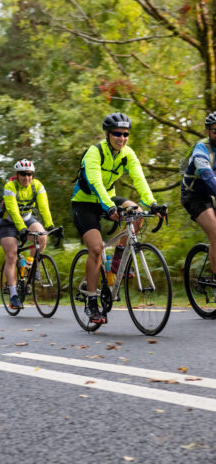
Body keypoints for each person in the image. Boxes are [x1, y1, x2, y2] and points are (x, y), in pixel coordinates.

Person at [71, 112, 165, 324]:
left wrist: (153, 204)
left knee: (138, 212)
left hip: (109, 197)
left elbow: (139, 179)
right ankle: (92, 303)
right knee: (96, 248)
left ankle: (116, 263)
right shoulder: (94, 153)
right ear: (108, 134)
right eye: (117, 133)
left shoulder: (127, 154)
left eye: (125, 134)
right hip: (84, 202)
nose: (121, 138)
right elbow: (95, 183)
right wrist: (109, 207)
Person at [0, 159, 55, 309]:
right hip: (8, 222)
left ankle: (31, 267)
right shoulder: (10, 186)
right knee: (11, 255)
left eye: (29, 174)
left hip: (27, 218)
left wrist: (50, 225)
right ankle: (14, 295)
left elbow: (44, 207)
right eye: (23, 174)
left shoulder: (37, 186)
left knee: (42, 236)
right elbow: (14, 211)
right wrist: (22, 229)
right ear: (16, 175)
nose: (26, 177)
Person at [181, 112, 216, 275]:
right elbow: (208, 178)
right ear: (208, 131)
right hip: (194, 195)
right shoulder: (201, 149)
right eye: (215, 130)